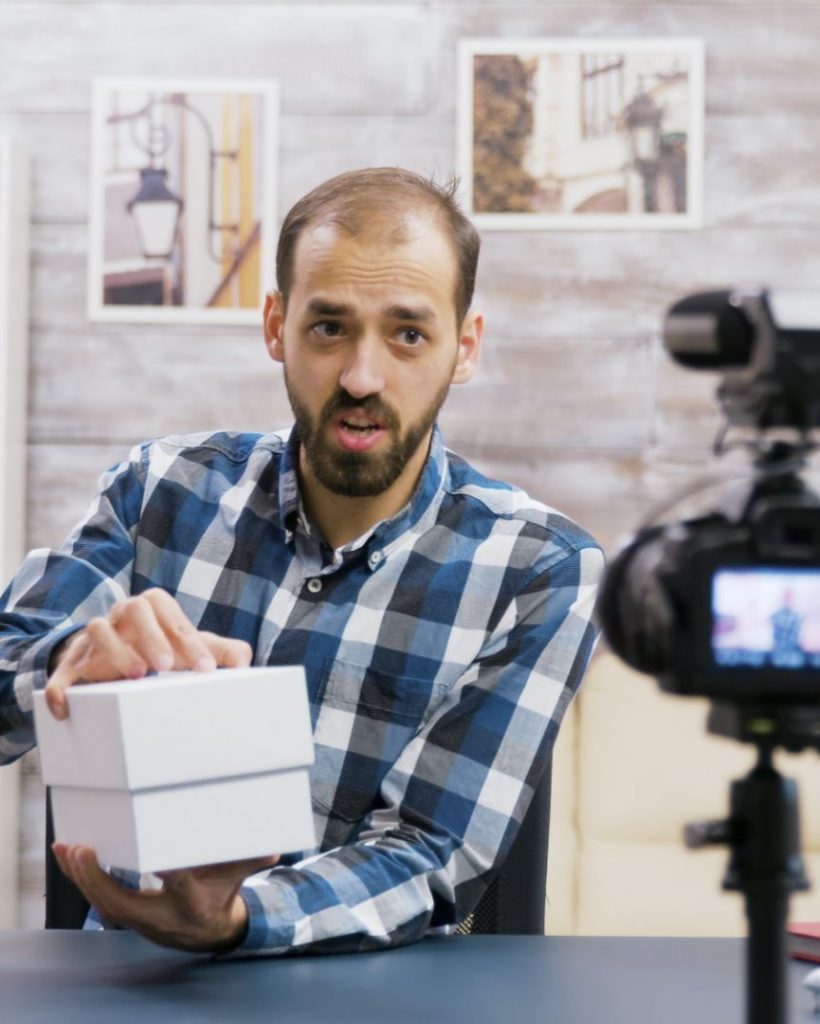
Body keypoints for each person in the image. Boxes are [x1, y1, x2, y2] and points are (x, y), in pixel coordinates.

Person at [0, 167, 603, 955]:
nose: (362, 377)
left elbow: (428, 850)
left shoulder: (540, 570)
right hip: (124, 984)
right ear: (276, 327)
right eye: (329, 328)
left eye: (408, 333)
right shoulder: (160, 492)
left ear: (464, 348)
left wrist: (238, 919)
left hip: (371, 997)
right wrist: (66, 662)